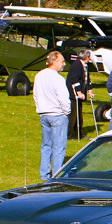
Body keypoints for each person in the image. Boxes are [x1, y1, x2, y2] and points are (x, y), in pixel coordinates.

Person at [34, 51, 70, 180]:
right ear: (54, 62)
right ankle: (57, 175)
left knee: (46, 145)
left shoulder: (39, 75)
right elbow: (64, 98)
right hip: (57, 114)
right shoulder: (57, 78)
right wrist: (66, 112)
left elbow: (36, 94)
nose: (63, 64)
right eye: (62, 62)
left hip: (44, 113)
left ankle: (44, 174)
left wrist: (40, 108)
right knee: (59, 147)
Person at [66, 49, 94, 139]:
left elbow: (87, 78)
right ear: (86, 57)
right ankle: (70, 135)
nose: (90, 59)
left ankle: (79, 134)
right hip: (73, 94)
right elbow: (74, 80)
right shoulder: (76, 65)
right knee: (73, 115)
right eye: (89, 57)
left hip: (80, 93)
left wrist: (90, 90)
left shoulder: (85, 65)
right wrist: (78, 92)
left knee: (79, 115)